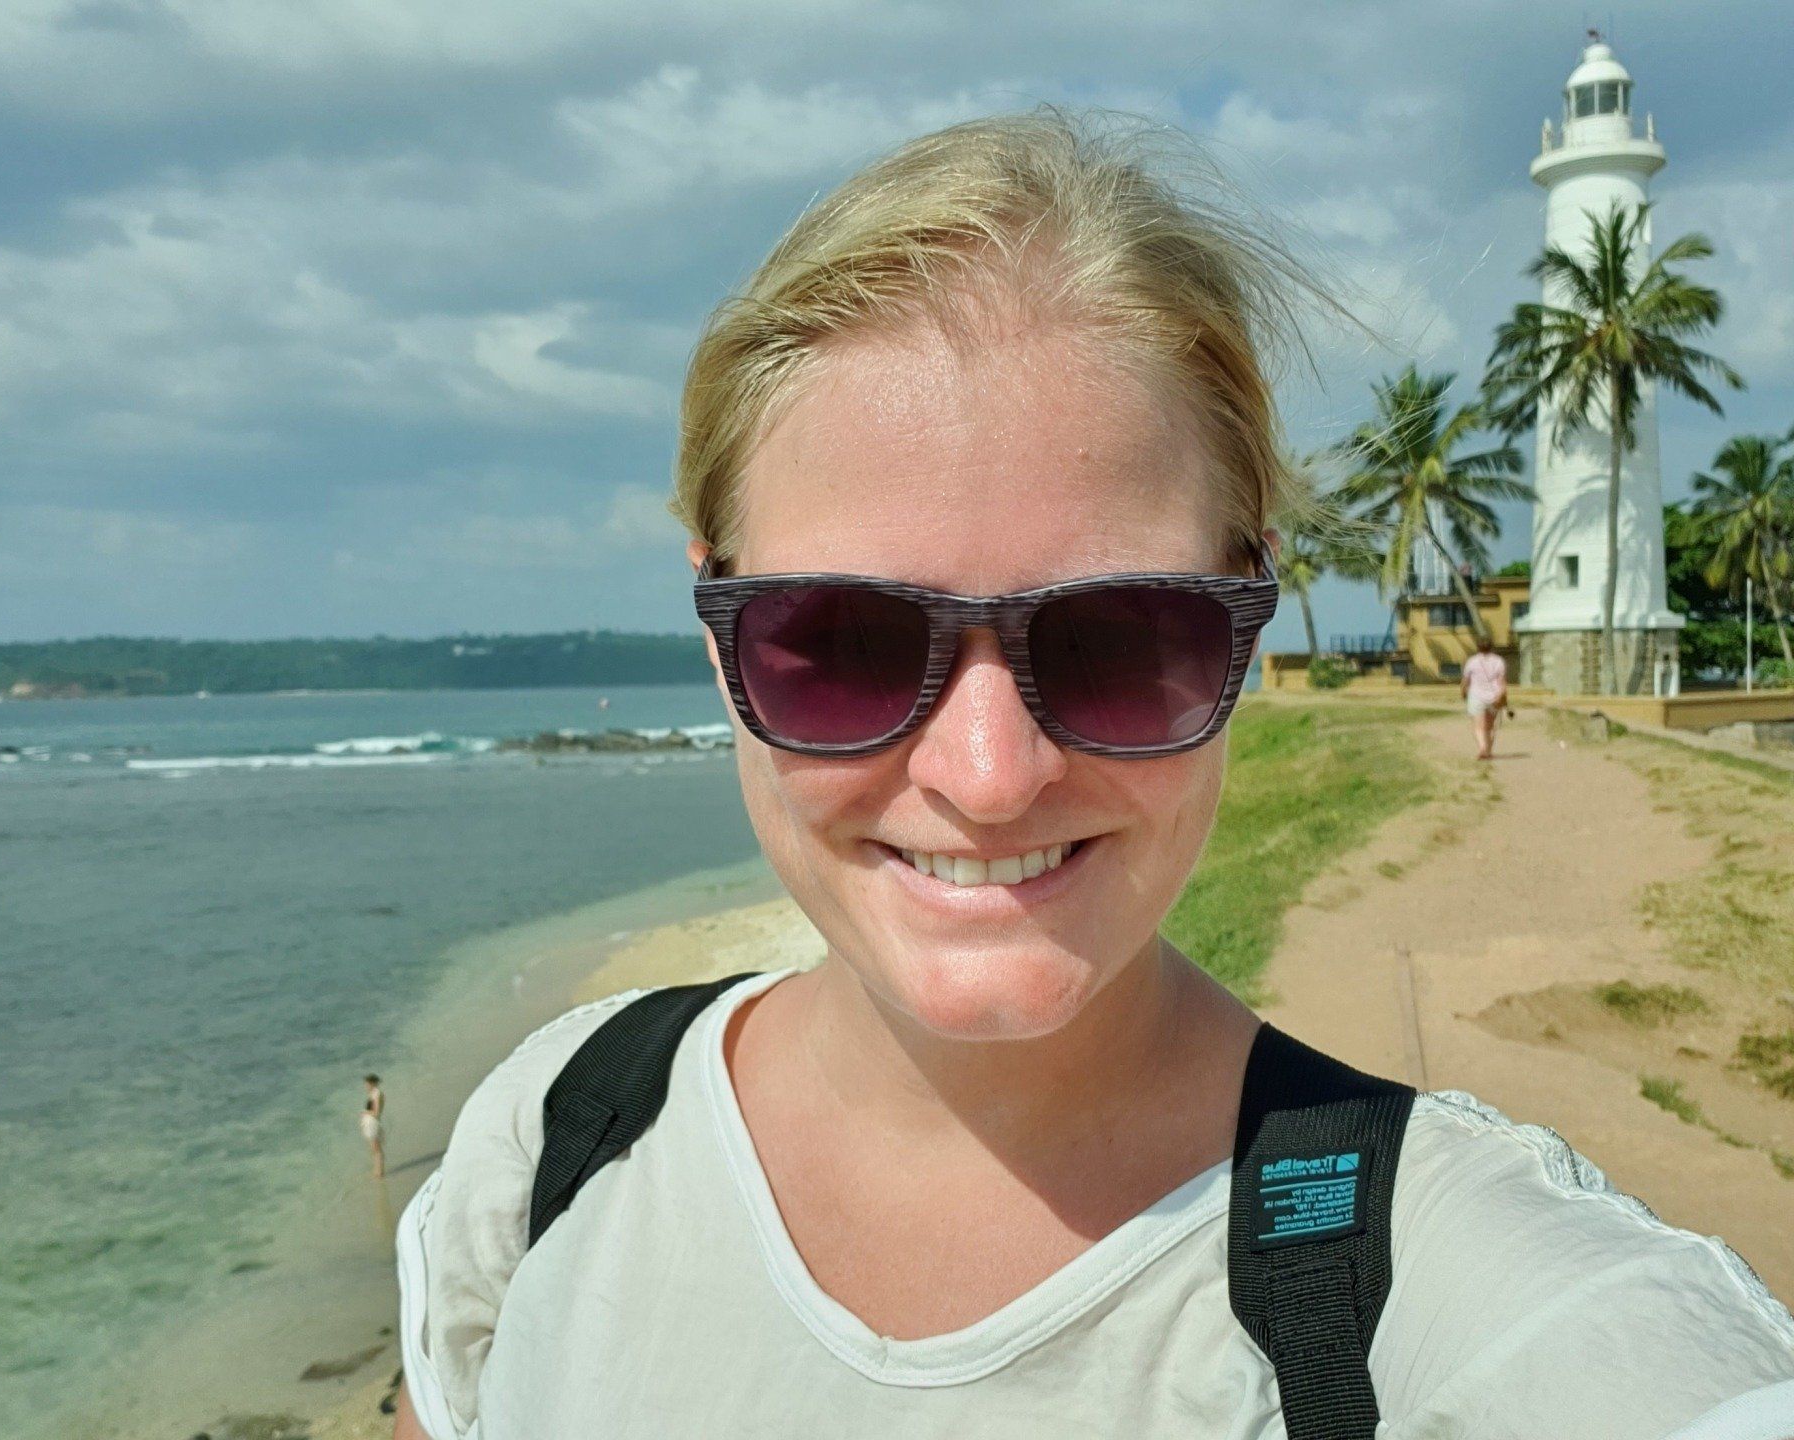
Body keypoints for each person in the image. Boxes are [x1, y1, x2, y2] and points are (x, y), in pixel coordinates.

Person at [392, 111, 1794, 1439]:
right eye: (850, 642)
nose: (990, 775)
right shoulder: (554, 1135)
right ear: (718, 639)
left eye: (1123, 638)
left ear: (1245, 617)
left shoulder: (1435, 1278)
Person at [1460, 635, 1509, 761]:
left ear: (1478, 647)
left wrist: (1463, 692)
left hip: (1476, 696)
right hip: (1494, 696)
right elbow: (1502, 682)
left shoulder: (1472, 661)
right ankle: (1489, 751)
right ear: (1491, 646)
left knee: (1478, 726)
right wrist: (1503, 695)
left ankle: (1482, 748)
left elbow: (1466, 680)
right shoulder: (1499, 661)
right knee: (1490, 726)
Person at [361, 1073, 386, 1179]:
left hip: (372, 1124)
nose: (365, 1086)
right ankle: (377, 1170)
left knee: (376, 1149)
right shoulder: (374, 1094)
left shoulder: (376, 1094)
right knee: (374, 1149)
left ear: (372, 1083)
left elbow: (376, 1112)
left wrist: (364, 1112)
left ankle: (379, 1172)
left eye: (367, 1084)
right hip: (370, 1124)